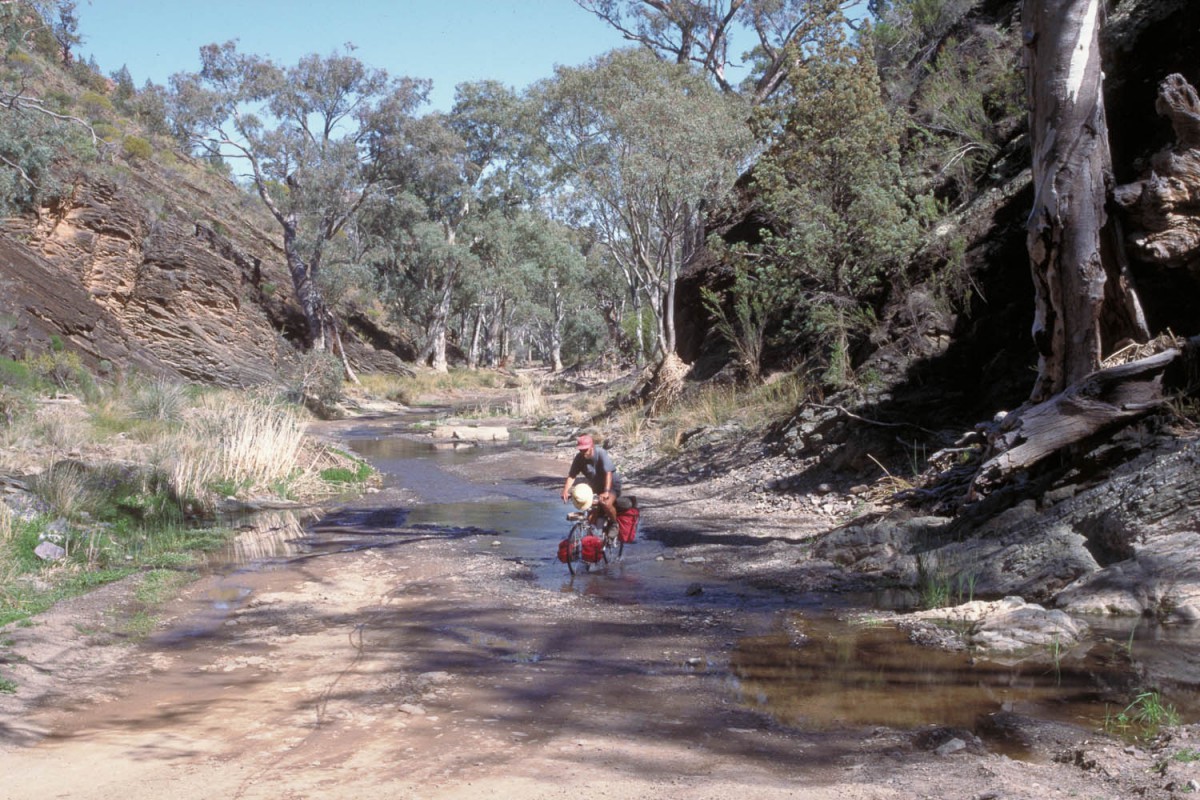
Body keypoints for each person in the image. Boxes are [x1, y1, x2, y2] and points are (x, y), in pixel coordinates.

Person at [561, 433, 621, 532]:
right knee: (589, 514)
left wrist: (606, 491)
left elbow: (608, 473)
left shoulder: (601, 453)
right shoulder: (579, 458)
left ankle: (615, 524)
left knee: (605, 503)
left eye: (585, 449)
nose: (583, 452)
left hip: (611, 485)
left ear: (592, 446)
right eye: (581, 450)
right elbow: (572, 475)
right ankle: (592, 537)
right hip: (595, 487)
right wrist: (565, 491)